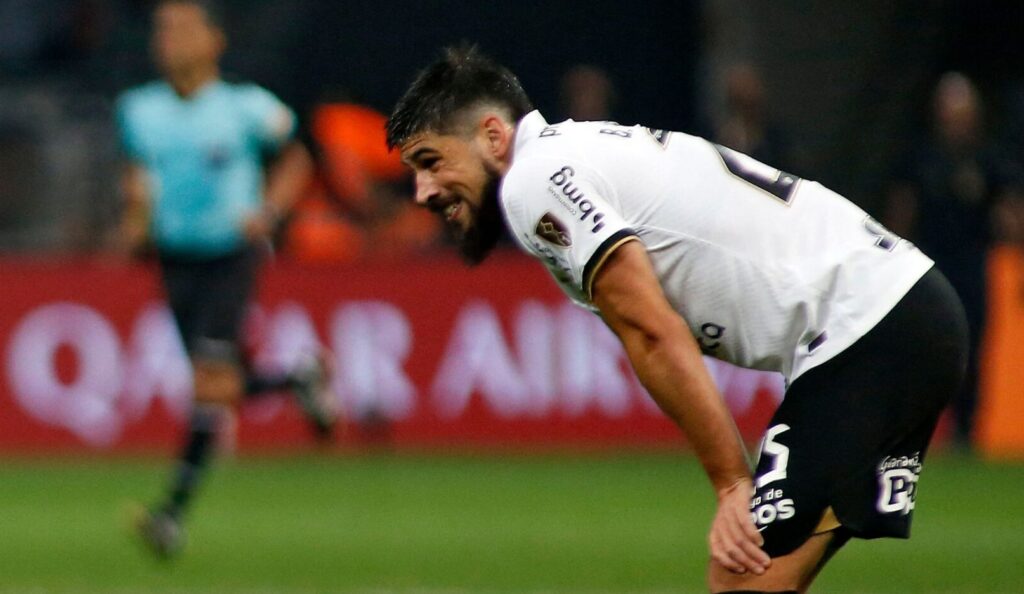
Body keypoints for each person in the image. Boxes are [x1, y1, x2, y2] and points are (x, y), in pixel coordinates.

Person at [385, 46, 968, 593]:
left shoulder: (533, 181)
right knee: (765, 576)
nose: (422, 190)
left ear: (492, 135)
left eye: (432, 162)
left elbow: (651, 330)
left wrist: (733, 483)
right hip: (903, 313)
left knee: (741, 572)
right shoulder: (573, 152)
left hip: (869, 326)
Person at [115, 0, 336, 558]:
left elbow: (298, 158)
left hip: (228, 255)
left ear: (214, 41)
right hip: (173, 258)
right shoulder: (139, 110)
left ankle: (170, 515)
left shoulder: (245, 108)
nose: (168, 40)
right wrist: (136, 218)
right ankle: (296, 380)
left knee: (211, 382)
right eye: (162, 30)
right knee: (214, 384)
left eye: (182, 29)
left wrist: (270, 212)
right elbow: (139, 172)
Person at [886, 72, 1023, 450]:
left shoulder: (988, 158)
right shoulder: (921, 156)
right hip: (931, 265)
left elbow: (1009, 209)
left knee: (975, 344)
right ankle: (920, 427)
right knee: (926, 347)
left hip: (972, 263)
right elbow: (903, 208)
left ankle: (967, 429)